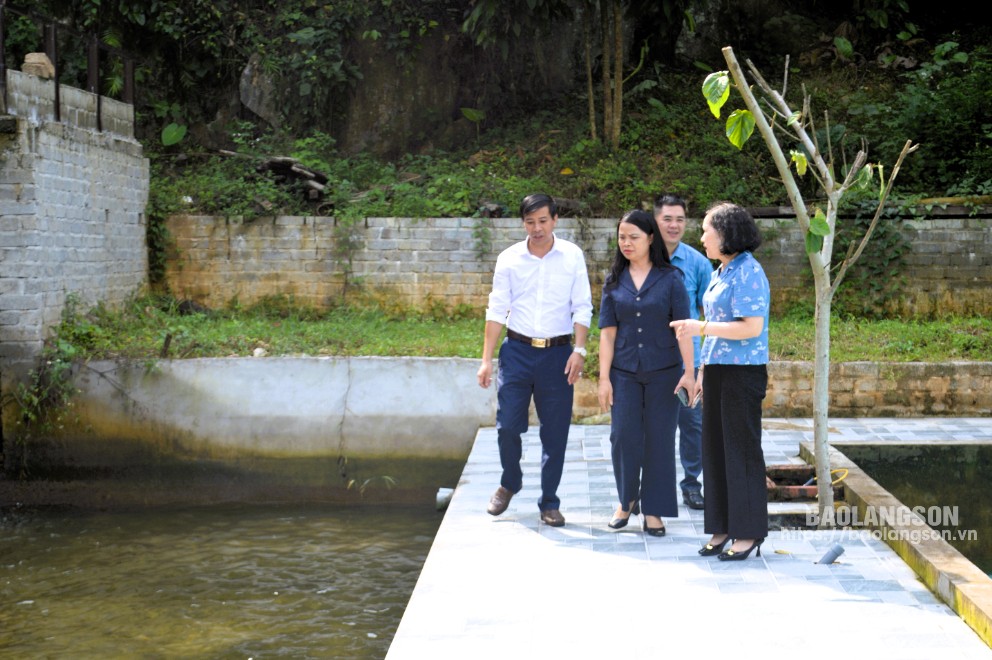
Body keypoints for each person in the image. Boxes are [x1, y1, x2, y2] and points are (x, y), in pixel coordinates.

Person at [477, 193, 593, 527]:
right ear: (523, 223)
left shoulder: (572, 256)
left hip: (558, 354)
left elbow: (582, 305)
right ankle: (510, 480)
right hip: (517, 351)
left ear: (555, 219)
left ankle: (549, 501)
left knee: (555, 433)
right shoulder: (509, 258)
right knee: (508, 427)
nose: (537, 228)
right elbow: (497, 308)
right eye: (530, 222)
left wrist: (580, 350)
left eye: (543, 221)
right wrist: (486, 359)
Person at [670, 201, 771, 561]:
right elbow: (714, 333)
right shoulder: (721, 271)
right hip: (715, 371)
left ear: (725, 234)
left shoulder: (749, 272)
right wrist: (698, 373)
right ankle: (722, 527)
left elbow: (751, 326)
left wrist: (699, 327)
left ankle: (748, 533)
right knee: (713, 450)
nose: (701, 236)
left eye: (705, 229)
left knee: (740, 452)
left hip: (742, 374)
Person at [597, 210, 695, 536]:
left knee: (659, 440)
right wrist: (603, 379)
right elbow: (607, 334)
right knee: (622, 437)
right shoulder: (613, 282)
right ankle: (627, 502)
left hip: (664, 373)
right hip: (623, 373)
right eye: (622, 237)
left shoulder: (671, 279)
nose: (626, 243)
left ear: (650, 238)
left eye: (633, 237)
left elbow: (684, 330)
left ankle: (654, 510)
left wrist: (690, 373)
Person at [654, 193, 713, 511]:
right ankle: (646, 486)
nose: (674, 225)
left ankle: (692, 485)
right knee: (650, 426)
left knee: (692, 425)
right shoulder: (641, 257)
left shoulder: (698, 263)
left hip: (687, 360)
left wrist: (702, 366)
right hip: (648, 359)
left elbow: (712, 316)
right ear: (655, 221)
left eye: (679, 219)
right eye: (667, 219)